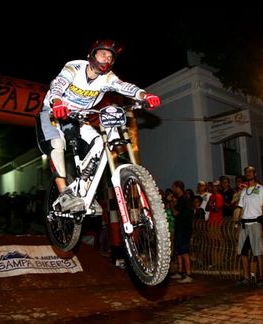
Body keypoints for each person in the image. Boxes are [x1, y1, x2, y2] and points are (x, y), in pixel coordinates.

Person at [35, 40, 160, 212]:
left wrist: (143, 95)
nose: (106, 60)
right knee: (57, 144)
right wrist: (57, 101)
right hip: (54, 112)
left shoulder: (108, 78)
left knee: (100, 143)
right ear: (92, 55)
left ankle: (85, 192)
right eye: (103, 54)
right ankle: (64, 192)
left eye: (110, 57)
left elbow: (124, 86)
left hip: (78, 117)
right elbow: (59, 83)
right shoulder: (75, 67)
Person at [234, 166, 263, 287]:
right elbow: (240, 209)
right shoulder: (243, 191)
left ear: (255, 173)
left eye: (250, 172)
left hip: (256, 224)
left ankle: (261, 276)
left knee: (258, 251)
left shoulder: (261, 189)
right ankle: (246, 276)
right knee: (243, 251)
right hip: (244, 224)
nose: (248, 174)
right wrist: (237, 227)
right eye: (246, 172)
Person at [169, 180, 194, 283]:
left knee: (184, 252)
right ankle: (180, 272)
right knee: (179, 251)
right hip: (180, 228)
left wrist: (170, 202)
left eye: (174, 187)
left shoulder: (183, 199)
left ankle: (188, 274)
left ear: (178, 187)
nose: (173, 189)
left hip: (184, 229)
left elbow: (175, 213)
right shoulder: (181, 199)